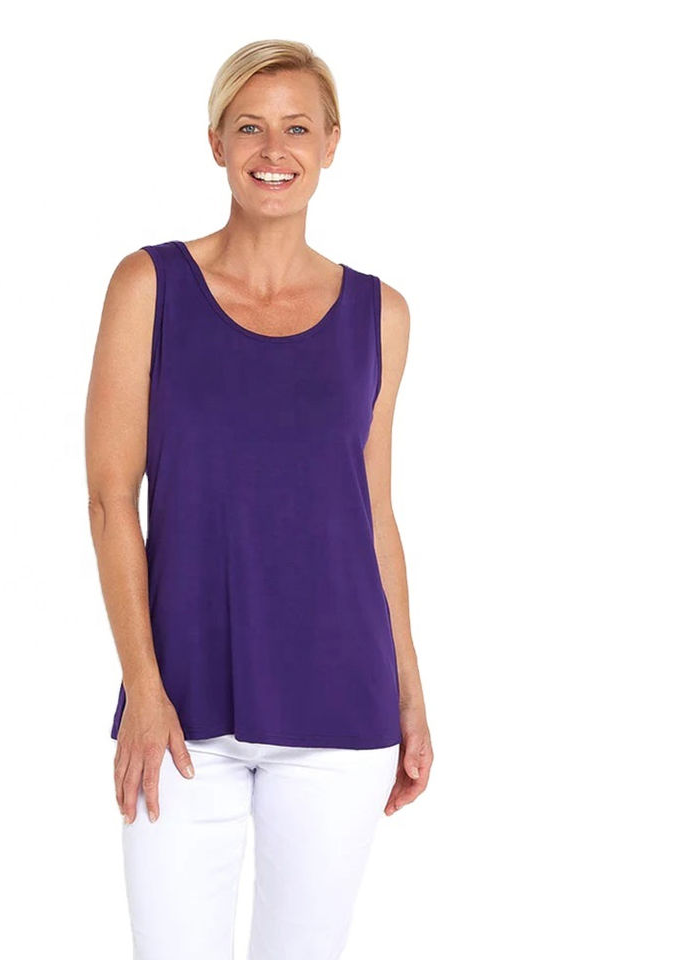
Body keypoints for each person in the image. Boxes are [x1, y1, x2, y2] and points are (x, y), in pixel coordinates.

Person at [85, 39, 433, 959]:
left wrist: (410, 693)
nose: (273, 150)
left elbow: (375, 516)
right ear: (215, 143)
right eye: (249, 127)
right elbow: (111, 498)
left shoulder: (381, 314)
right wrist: (143, 687)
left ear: (331, 144)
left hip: (341, 707)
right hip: (179, 708)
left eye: (297, 128)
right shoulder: (150, 286)